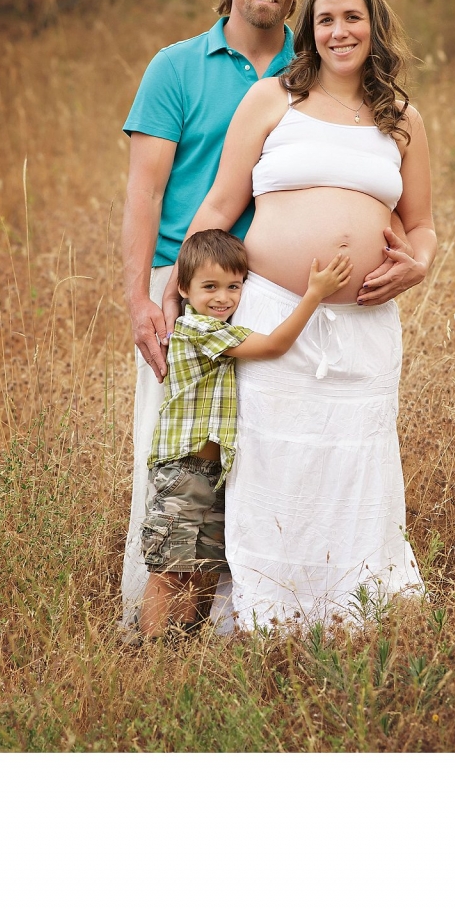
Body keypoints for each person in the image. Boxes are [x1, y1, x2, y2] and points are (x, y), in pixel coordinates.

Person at [163, 0, 437, 629]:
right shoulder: (271, 99)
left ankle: (354, 611)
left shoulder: (400, 119)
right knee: (275, 457)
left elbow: (423, 223)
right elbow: (223, 204)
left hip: (364, 329)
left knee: (354, 458)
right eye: (325, 19)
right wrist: (177, 286)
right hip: (273, 311)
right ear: (308, 32)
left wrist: (420, 263)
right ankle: (271, 614)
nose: (339, 31)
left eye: (352, 17)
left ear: (375, 26)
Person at [120, 0, 312, 628]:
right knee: (179, 459)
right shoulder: (175, 67)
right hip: (187, 287)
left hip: (272, 290)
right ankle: (160, 623)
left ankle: (250, 619)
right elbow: (144, 191)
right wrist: (144, 298)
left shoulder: (313, 69)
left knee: (264, 458)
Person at [140, 228, 352, 638]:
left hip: (214, 473)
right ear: (183, 289)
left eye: (233, 287)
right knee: (169, 567)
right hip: (181, 472)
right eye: (210, 287)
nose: (222, 297)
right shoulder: (198, 330)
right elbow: (273, 346)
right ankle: (150, 649)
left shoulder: (224, 327)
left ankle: (185, 644)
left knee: (204, 567)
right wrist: (314, 294)